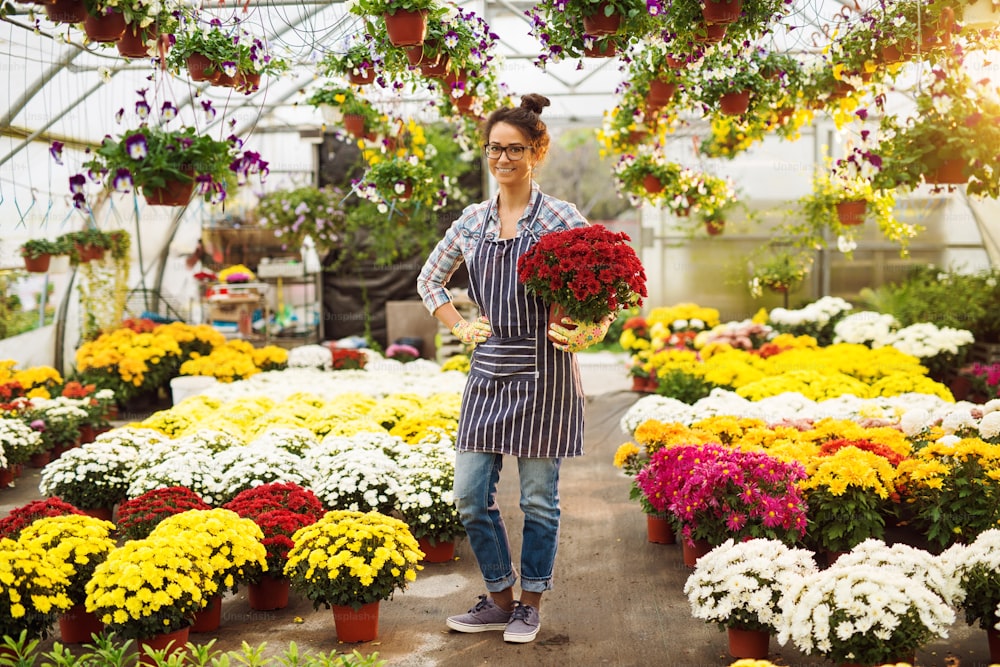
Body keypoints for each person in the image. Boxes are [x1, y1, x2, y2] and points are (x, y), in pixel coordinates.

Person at [416, 93, 614, 644]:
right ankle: (498, 598)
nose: (502, 159)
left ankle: (530, 603)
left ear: (537, 151)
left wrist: (590, 330)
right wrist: (458, 325)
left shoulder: (560, 217)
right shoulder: (471, 222)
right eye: (494, 149)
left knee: (537, 501)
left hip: (547, 374)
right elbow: (429, 280)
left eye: (515, 149)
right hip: (488, 371)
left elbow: (608, 285)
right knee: (470, 495)